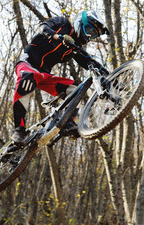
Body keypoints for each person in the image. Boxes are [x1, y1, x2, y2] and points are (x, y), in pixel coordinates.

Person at [11, 10, 109, 145]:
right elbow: (42, 27)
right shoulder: (62, 23)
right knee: (28, 79)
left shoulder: (75, 47)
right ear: (80, 23)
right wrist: (59, 37)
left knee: (76, 89)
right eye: (89, 31)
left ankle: (68, 123)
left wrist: (108, 76)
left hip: (45, 76)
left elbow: (88, 62)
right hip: (27, 64)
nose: (88, 37)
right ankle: (19, 130)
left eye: (92, 36)